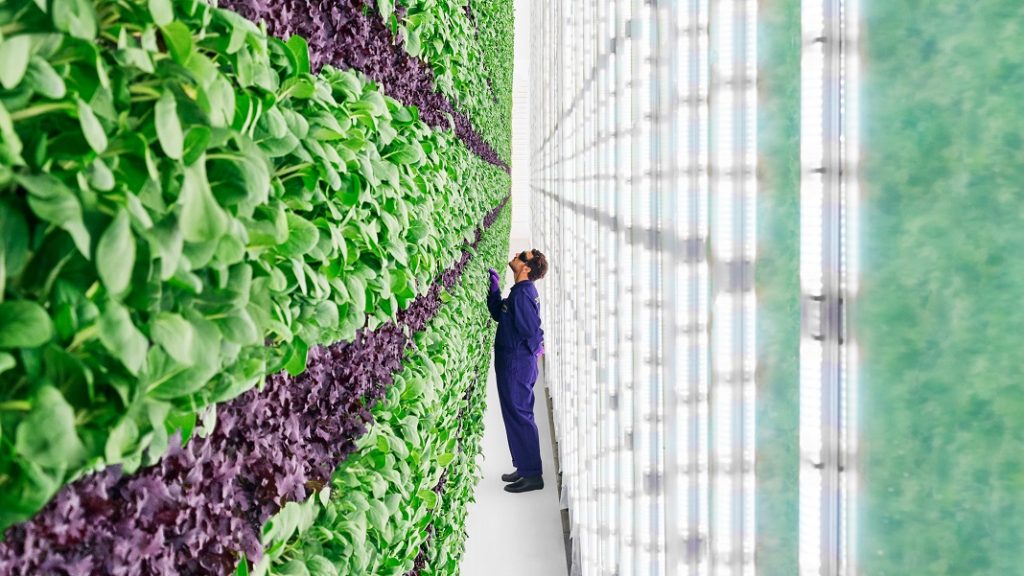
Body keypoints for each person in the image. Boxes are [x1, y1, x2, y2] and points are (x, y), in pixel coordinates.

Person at [486, 249, 549, 494]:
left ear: (526, 268)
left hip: (516, 364)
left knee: (520, 416)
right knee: (516, 416)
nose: (515, 255)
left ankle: (533, 475)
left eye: (521, 256)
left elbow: (532, 330)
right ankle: (525, 467)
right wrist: (494, 289)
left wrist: (536, 349)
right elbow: (499, 314)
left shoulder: (523, 295)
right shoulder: (520, 293)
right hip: (514, 362)